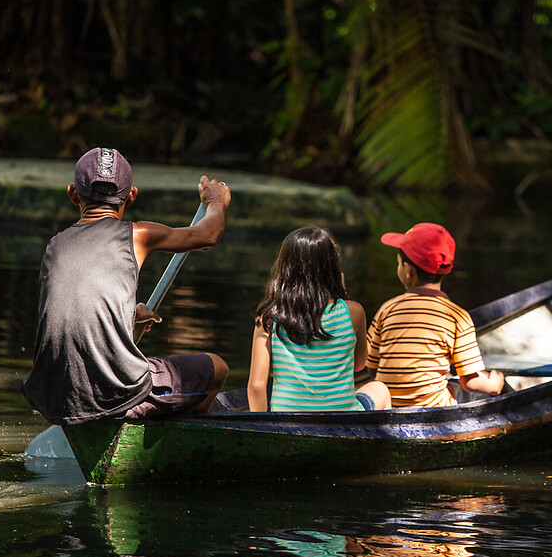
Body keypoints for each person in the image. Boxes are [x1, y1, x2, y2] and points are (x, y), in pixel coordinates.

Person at [22, 146, 232, 425]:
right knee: (217, 368)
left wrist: (129, 313)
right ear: (131, 196)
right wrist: (215, 202)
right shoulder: (138, 235)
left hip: (53, 398)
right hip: (115, 396)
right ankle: (169, 437)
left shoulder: (55, 247)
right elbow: (208, 234)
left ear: (73, 194)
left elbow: (73, 308)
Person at [248, 226, 390, 412]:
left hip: (286, 423)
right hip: (342, 421)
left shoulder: (269, 318)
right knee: (380, 389)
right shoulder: (354, 312)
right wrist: (342, 296)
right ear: (332, 267)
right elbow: (359, 365)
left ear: (285, 268)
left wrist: (264, 431)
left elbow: (257, 386)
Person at [365, 222, 505, 408]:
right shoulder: (458, 317)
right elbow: (470, 382)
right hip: (432, 411)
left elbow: (371, 368)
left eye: (398, 264)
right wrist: (493, 385)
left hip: (387, 408)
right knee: (459, 387)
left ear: (408, 271)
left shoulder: (387, 309)